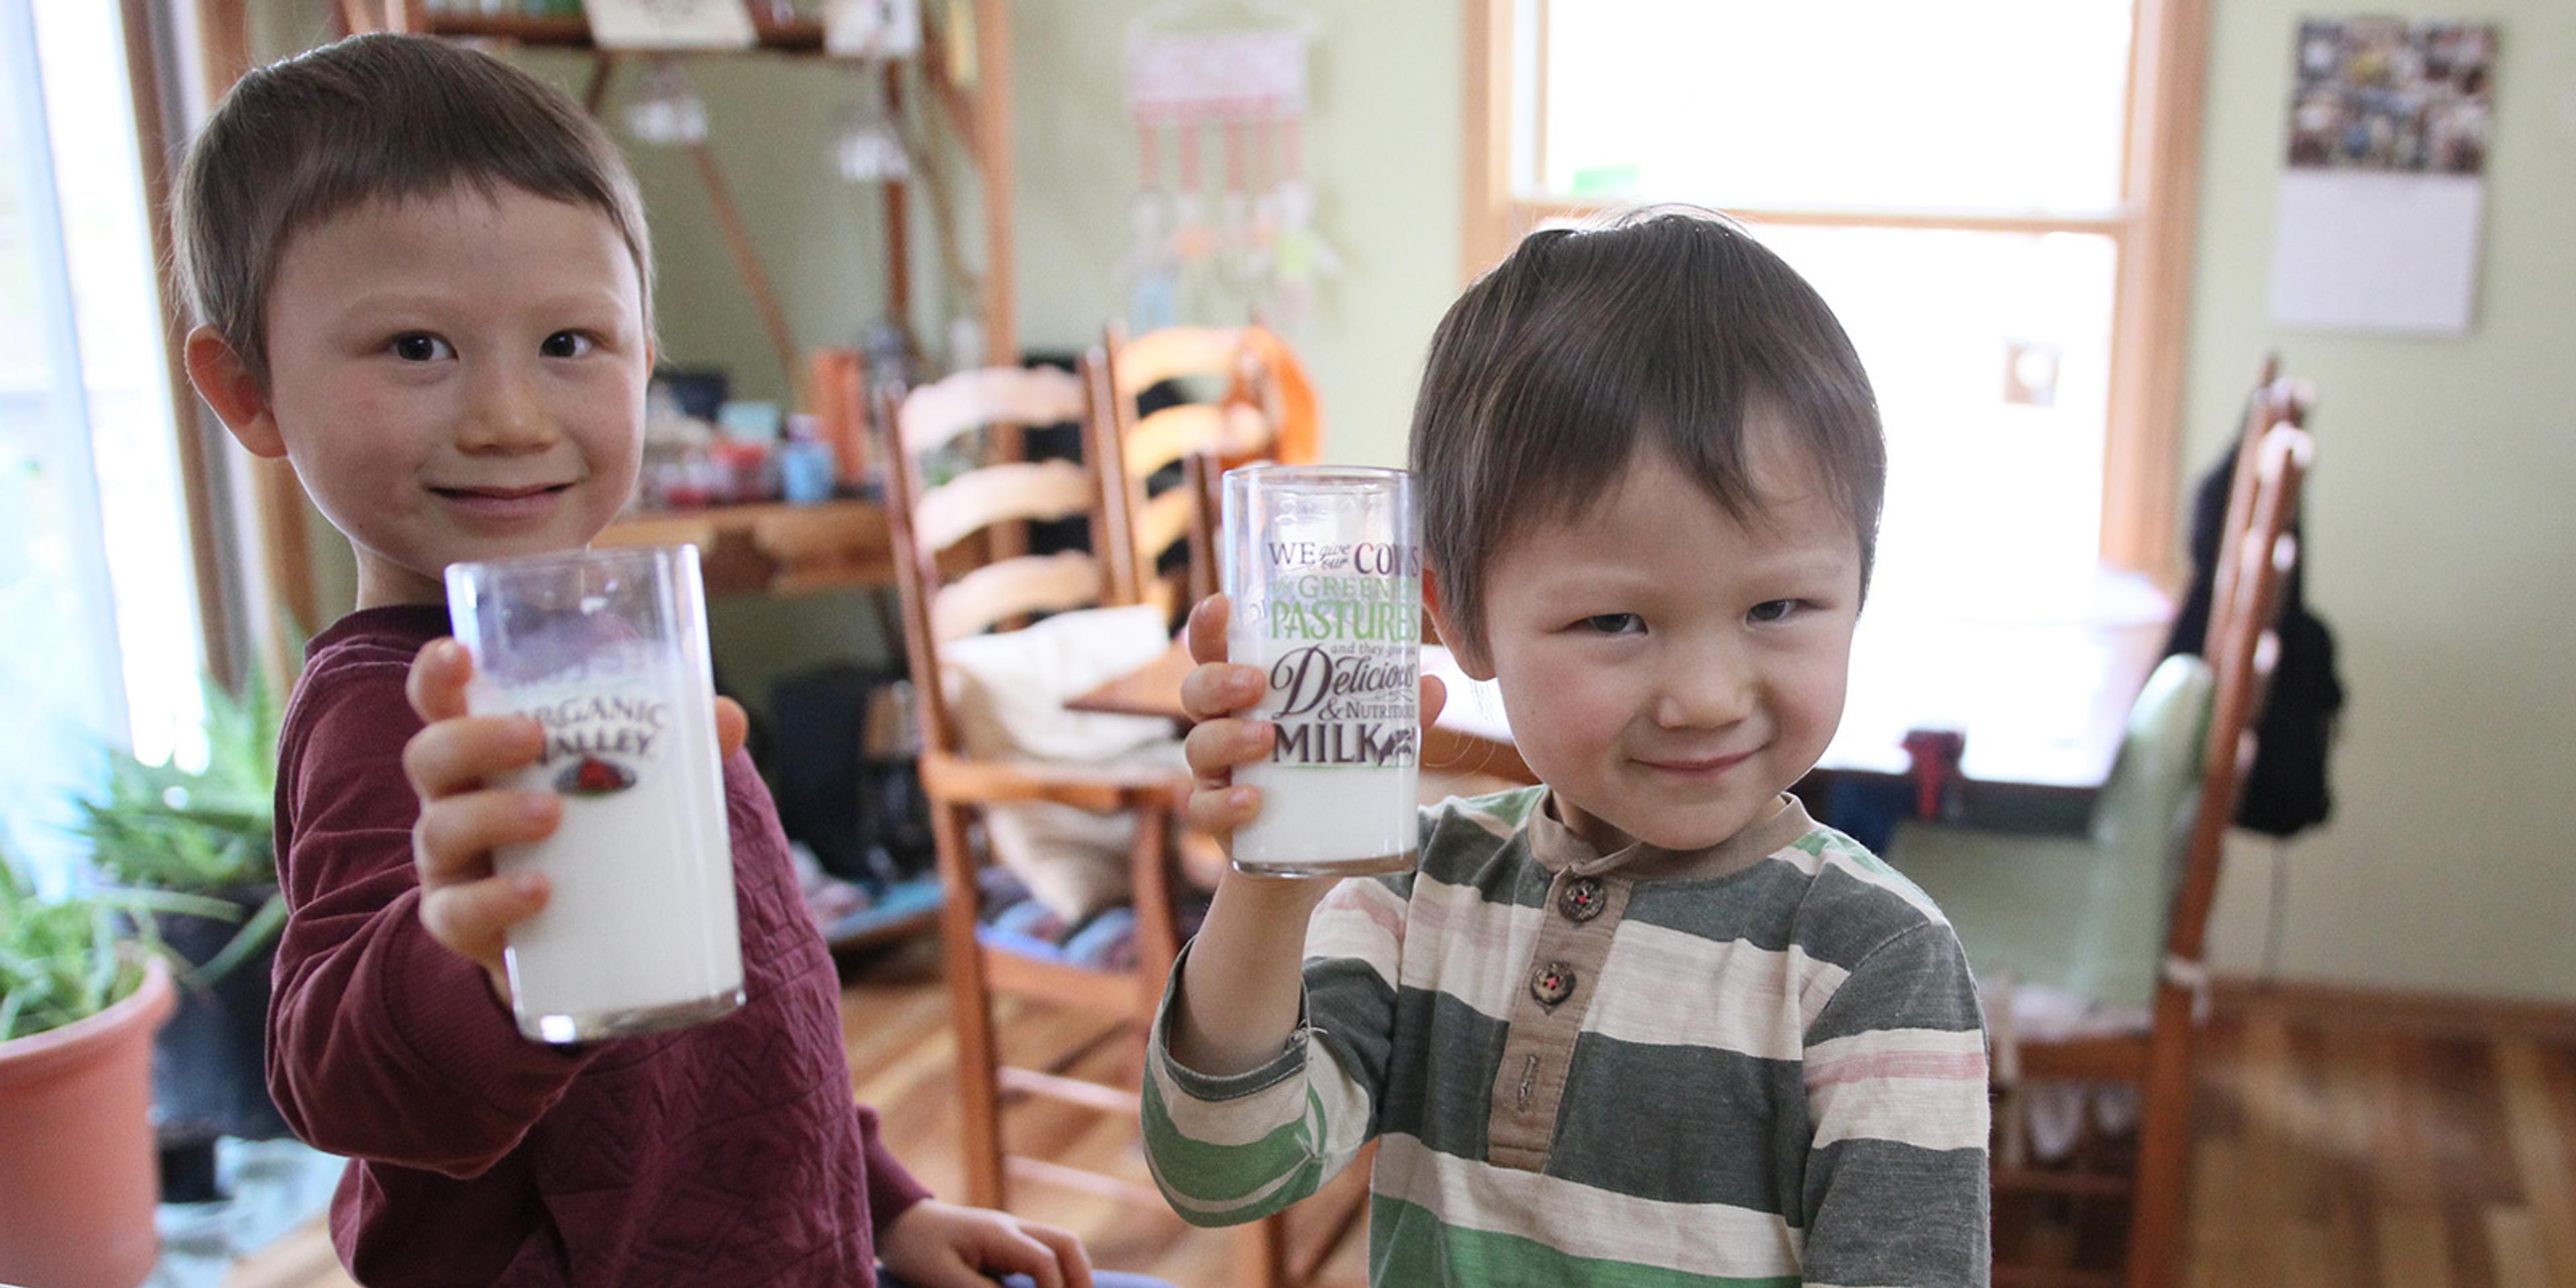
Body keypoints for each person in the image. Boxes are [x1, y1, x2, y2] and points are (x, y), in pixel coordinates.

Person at [174, 33, 1166, 1288]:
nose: (509, 416)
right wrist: (469, 967)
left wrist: (888, 1208)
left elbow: (771, 1031)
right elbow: (336, 1076)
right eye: (417, 348)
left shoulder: (626, 662)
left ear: (647, 358)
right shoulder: (389, 717)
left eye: (571, 343)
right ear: (249, 390)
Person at [1143, 210, 1991, 1285]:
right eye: (1615, 623)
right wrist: (1275, 878)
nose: (1704, 698)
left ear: (1859, 588)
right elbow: (1224, 1175)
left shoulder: (1874, 961)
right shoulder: (1413, 895)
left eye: (1778, 605)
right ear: (1460, 622)